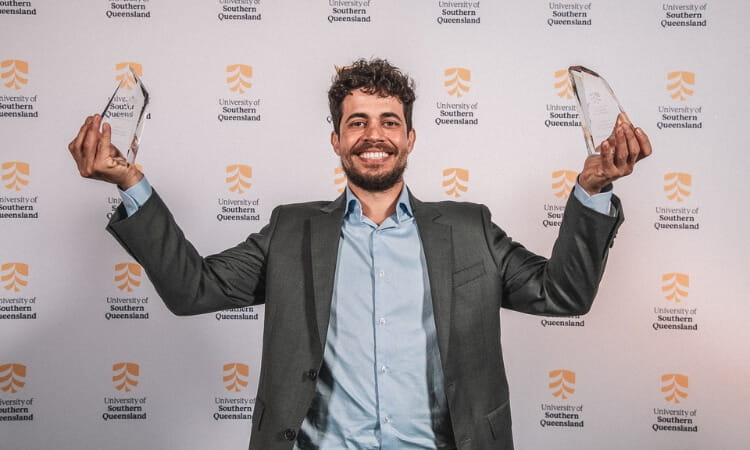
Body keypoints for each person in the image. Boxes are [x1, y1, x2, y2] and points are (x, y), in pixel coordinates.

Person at [68, 59, 651, 450]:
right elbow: (192, 289)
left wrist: (592, 191)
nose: (375, 134)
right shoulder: (291, 230)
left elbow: (563, 294)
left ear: (410, 138)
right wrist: (130, 182)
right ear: (337, 139)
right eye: (358, 122)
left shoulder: (469, 229)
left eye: (389, 121)